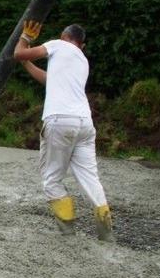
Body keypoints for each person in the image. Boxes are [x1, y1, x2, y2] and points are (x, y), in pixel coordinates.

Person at [13, 20, 114, 241]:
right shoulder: (82, 60)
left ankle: (67, 230)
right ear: (82, 45)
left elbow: (18, 53)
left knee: (51, 178)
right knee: (90, 176)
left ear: (63, 36)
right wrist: (26, 63)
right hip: (84, 124)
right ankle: (106, 230)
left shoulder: (58, 45)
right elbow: (49, 80)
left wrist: (25, 38)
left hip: (60, 120)